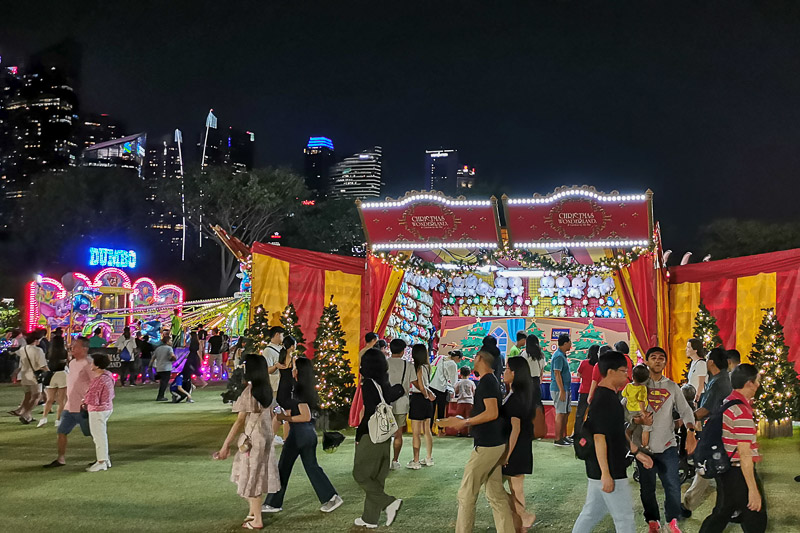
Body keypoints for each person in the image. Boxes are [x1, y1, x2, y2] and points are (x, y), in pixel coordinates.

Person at [572, 351, 654, 533]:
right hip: (609, 468)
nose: (628, 375)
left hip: (601, 467)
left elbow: (617, 432)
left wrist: (637, 453)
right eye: (624, 371)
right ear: (611, 372)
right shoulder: (604, 400)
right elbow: (599, 437)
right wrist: (606, 474)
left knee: (592, 513)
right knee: (624, 518)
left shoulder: (608, 398)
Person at [439, 350, 514, 533]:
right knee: (495, 494)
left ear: (480, 358)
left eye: (475, 357)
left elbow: (492, 412)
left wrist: (463, 422)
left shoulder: (488, 381)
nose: (473, 360)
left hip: (488, 445)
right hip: (494, 442)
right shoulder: (491, 381)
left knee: (466, 494)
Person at [263, 356, 343, 514]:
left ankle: (273, 503)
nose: (293, 370)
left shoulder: (299, 390)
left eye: (294, 367)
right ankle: (331, 497)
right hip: (306, 433)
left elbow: (305, 415)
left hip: (300, 433)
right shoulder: (308, 388)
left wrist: (284, 418)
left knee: (286, 467)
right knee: (302, 466)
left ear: (299, 371)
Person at [632, 346, 697, 533]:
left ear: (665, 362)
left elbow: (686, 411)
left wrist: (691, 432)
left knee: (673, 486)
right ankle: (653, 521)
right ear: (646, 361)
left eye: (661, 358)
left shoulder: (672, 387)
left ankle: (672, 521)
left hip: (667, 445)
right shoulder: (637, 386)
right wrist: (636, 419)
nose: (658, 360)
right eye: (653, 357)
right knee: (647, 488)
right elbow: (625, 409)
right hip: (644, 448)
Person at [699, 363, 766, 532]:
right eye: (757, 381)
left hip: (727, 470)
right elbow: (744, 455)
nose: (758, 385)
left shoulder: (729, 401)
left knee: (723, 512)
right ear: (749, 383)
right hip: (738, 472)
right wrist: (753, 489)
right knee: (755, 516)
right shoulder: (741, 411)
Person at [216, 354, 280, 530]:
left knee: (250, 478)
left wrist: (225, 446)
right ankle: (253, 512)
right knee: (255, 476)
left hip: (252, 441)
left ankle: (257, 519)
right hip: (265, 439)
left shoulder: (250, 392)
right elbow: (273, 415)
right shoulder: (267, 389)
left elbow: (239, 421)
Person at [352, 348, 404, 529]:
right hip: (385, 435)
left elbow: (369, 412)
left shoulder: (368, 384)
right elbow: (388, 399)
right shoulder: (384, 382)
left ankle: (388, 502)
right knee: (377, 477)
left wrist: (359, 434)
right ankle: (370, 518)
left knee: (360, 474)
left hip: (371, 434)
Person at [683, 347, 732, 514]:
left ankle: (729, 507)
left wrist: (687, 418)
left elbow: (706, 410)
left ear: (711, 362)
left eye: (708, 357)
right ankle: (688, 503)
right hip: (721, 430)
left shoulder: (718, 382)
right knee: (710, 467)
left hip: (718, 432)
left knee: (709, 466)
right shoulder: (721, 379)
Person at [43, 336, 94, 468]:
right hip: (70, 405)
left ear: (85, 349)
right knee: (61, 431)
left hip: (83, 406)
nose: (72, 348)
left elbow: (95, 383)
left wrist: (89, 401)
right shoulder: (72, 363)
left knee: (93, 433)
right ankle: (60, 458)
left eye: (75, 346)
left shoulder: (89, 364)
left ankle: (101, 457)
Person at [502, 356, 536, 531]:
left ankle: (524, 518)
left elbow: (516, 429)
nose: (504, 371)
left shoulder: (516, 398)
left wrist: (507, 454)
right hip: (520, 446)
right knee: (515, 489)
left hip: (516, 447)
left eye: (507, 369)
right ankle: (521, 524)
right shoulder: (518, 394)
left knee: (515, 489)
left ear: (514, 373)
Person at [84, 352, 115, 472]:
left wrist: (84, 401)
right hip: (106, 408)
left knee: (99, 436)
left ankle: (101, 461)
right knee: (102, 435)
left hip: (98, 410)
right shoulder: (108, 376)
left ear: (96, 365)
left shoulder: (99, 380)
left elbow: (93, 399)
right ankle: (105, 459)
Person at [407, 343, 435, 469]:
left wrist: (424, 394)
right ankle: (429, 458)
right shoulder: (427, 366)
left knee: (416, 433)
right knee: (427, 430)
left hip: (418, 398)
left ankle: (416, 460)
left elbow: (421, 385)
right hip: (427, 401)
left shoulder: (418, 368)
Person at [386, 338, 412, 469]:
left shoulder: (384, 363)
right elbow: (414, 382)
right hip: (402, 402)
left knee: (383, 432)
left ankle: (383, 460)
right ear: (403, 351)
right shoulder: (408, 365)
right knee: (398, 433)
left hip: (385, 402)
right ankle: (395, 460)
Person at [15, 331, 48, 424]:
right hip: (35, 376)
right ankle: (26, 414)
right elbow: (42, 365)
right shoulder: (38, 350)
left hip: (24, 375)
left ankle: (27, 415)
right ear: (36, 340)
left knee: (28, 395)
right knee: (36, 396)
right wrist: (49, 372)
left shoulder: (23, 349)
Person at [261, 326, 286, 445]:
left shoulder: (281, 348)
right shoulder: (268, 351)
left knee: (279, 412)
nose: (282, 337)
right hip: (274, 385)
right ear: (276, 335)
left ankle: (272, 435)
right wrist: (276, 366)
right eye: (281, 335)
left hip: (281, 384)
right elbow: (266, 370)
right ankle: (271, 436)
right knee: (276, 411)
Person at [38, 333, 68, 428]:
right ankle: (58, 420)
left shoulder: (49, 352)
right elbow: (68, 361)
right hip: (62, 375)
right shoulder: (64, 352)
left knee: (49, 399)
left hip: (51, 375)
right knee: (61, 400)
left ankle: (44, 418)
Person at [429, 349, 459, 434]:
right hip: (441, 387)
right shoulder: (452, 364)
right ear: (457, 357)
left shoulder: (440, 357)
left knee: (431, 409)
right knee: (441, 410)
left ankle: (429, 429)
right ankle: (440, 429)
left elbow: (431, 367)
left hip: (431, 385)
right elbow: (454, 380)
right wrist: (455, 389)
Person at [622, 364, 651, 451]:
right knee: (645, 428)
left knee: (631, 427)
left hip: (630, 410)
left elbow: (624, 395)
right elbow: (641, 401)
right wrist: (643, 412)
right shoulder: (643, 388)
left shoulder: (628, 386)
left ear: (632, 376)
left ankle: (627, 438)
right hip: (638, 411)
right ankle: (644, 445)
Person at [551, 334, 573, 446]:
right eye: (569, 342)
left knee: (566, 412)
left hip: (565, 388)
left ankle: (564, 436)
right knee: (560, 413)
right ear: (565, 343)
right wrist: (562, 390)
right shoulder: (559, 356)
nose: (571, 344)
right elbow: (557, 373)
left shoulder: (563, 355)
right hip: (559, 389)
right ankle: (558, 439)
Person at [574, 344, 599, 437]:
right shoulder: (599, 365)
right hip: (595, 392)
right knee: (593, 415)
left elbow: (578, 374)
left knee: (580, 414)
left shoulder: (584, 363)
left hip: (584, 390)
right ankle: (591, 434)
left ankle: (577, 434)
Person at [151, 333, 176, 402]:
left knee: (162, 382)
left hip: (159, 368)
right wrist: (174, 358)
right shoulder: (169, 348)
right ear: (167, 341)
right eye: (170, 341)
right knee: (164, 382)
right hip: (166, 367)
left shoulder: (158, 349)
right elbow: (172, 355)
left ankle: (160, 395)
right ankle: (160, 396)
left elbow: (153, 358)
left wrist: (150, 366)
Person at [686, 338, 708, 404]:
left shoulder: (701, 363)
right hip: (691, 396)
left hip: (698, 397)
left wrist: (696, 399)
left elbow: (701, 384)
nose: (686, 349)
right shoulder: (693, 362)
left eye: (688, 347)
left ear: (695, 350)